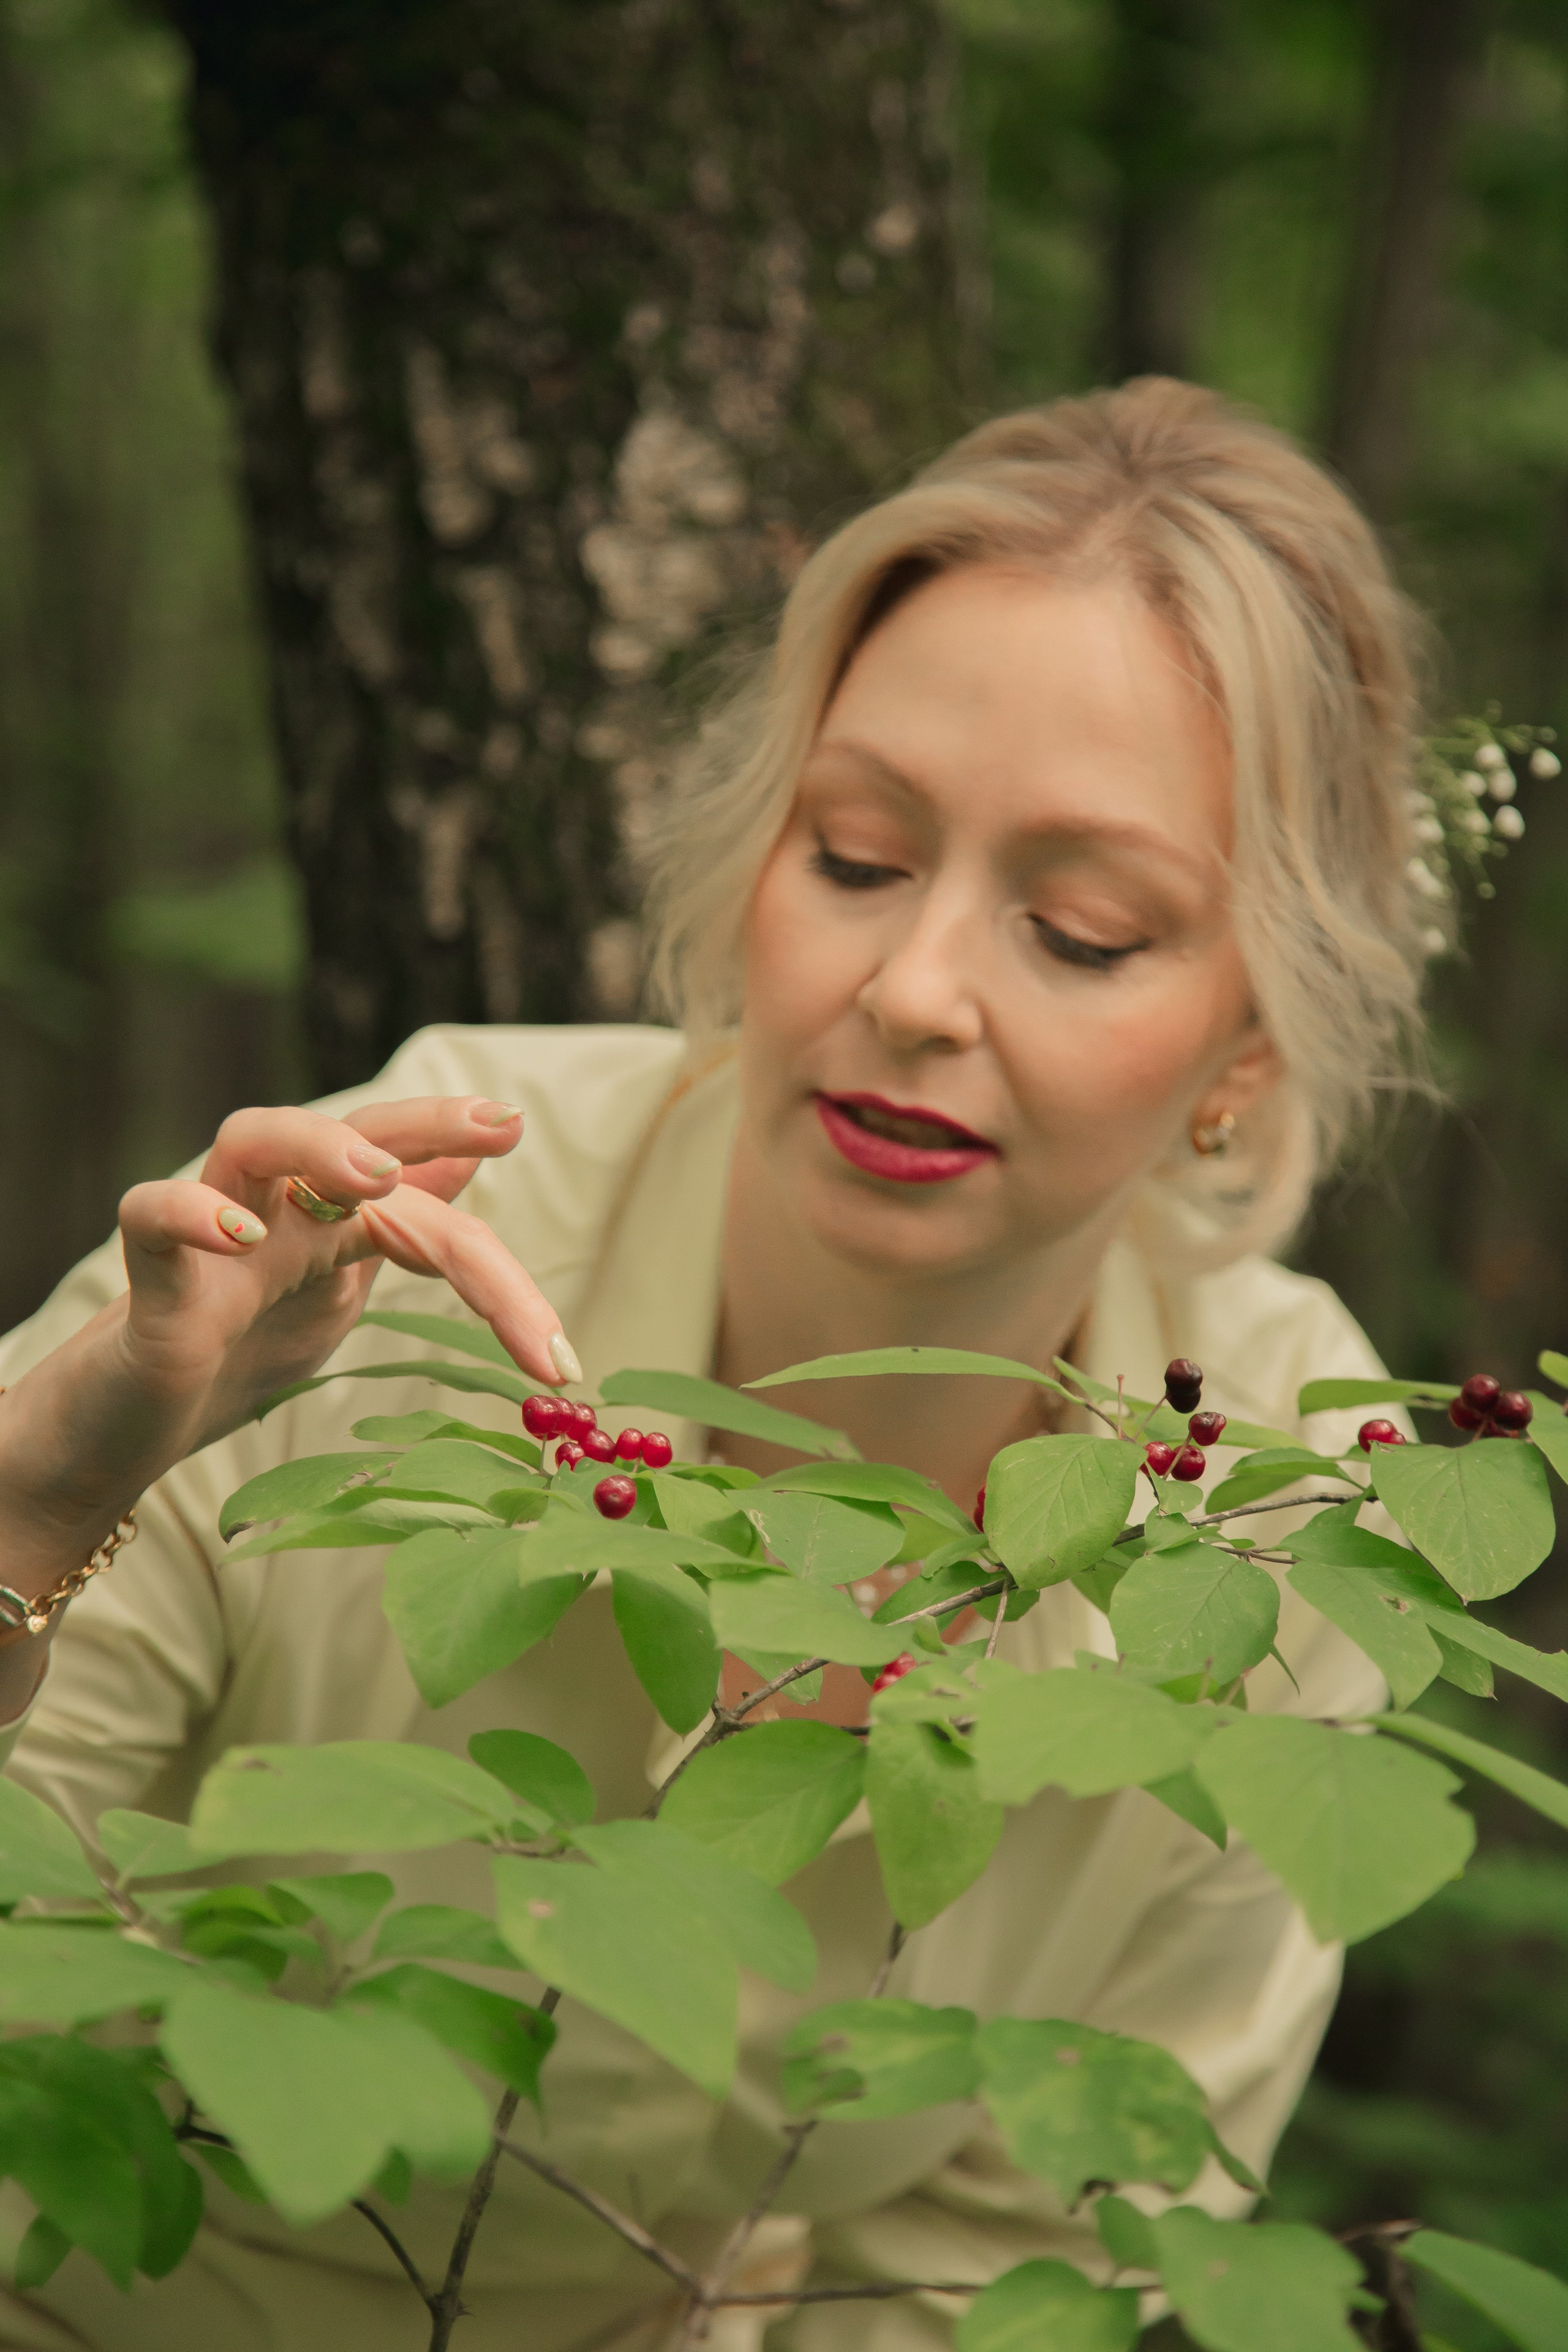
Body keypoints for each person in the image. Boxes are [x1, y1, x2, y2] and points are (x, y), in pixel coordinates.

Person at [0, 379, 1423, 2351]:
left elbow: (1027, 2276)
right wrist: (47, 1496)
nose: (913, 992)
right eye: (853, 856)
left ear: (1252, 1039)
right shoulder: (378, 1242)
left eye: (1083, 931)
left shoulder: (1287, 1519)